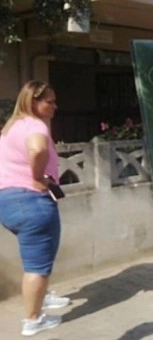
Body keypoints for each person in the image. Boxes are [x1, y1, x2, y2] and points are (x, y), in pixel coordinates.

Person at [0, 80, 71, 337]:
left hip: (7, 200)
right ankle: (33, 319)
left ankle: (44, 296)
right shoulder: (34, 125)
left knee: (37, 256)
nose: (54, 106)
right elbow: (38, 148)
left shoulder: (11, 127)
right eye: (48, 101)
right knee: (36, 266)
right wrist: (38, 176)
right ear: (33, 102)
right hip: (30, 200)